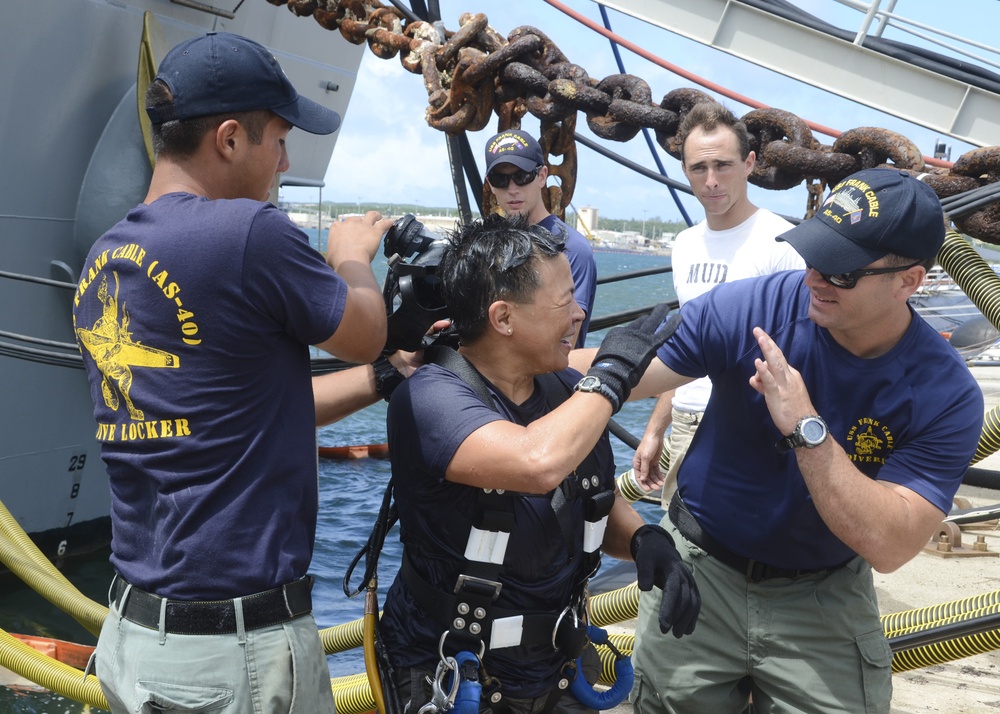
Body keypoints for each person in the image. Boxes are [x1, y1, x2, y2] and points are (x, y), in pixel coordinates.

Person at [571, 167, 984, 713]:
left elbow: (890, 545)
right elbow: (621, 375)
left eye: (840, 271)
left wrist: (805, 428)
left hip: (823, 598)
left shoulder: (944, 392)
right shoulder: (753, 308)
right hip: (699, 571)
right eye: (813, 256)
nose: (814, 278)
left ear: (908, 281)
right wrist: (481, 357)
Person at [72, 32, 391, 713]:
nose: (284, 160)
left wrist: (384, 381)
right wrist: (352, 255)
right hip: (232, 654)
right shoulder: (250, 232)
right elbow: (365, 332)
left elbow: (228, 412)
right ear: (228, 139)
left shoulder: (107, 255)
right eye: (278, 138)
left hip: (135, 636)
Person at [378, 213, 700, 714]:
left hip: (558, 669)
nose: (579, 313)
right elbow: (536, 463)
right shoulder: (428, 401)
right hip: (456, 673)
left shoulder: (561, 391)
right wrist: (611, 373)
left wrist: (642, 539)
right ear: (503, 318)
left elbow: (582, 493)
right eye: (564, 301)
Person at [627, 101, 804, 504]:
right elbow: (688, 344)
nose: (711, 181)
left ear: (749, 164)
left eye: (723, 166)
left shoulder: (783, 244)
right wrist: (656, 429)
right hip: (687, 422)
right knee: (681, 547)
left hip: (756, 428)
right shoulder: (685, 245)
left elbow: (801, 355)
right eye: (698, 169)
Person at [484, 128, 597, 347]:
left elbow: (566, 339)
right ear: (490, 184)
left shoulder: (571, 248)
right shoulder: (490, 245)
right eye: (501, 179)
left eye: (522, 176)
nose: (513, 189)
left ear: (542, 176)